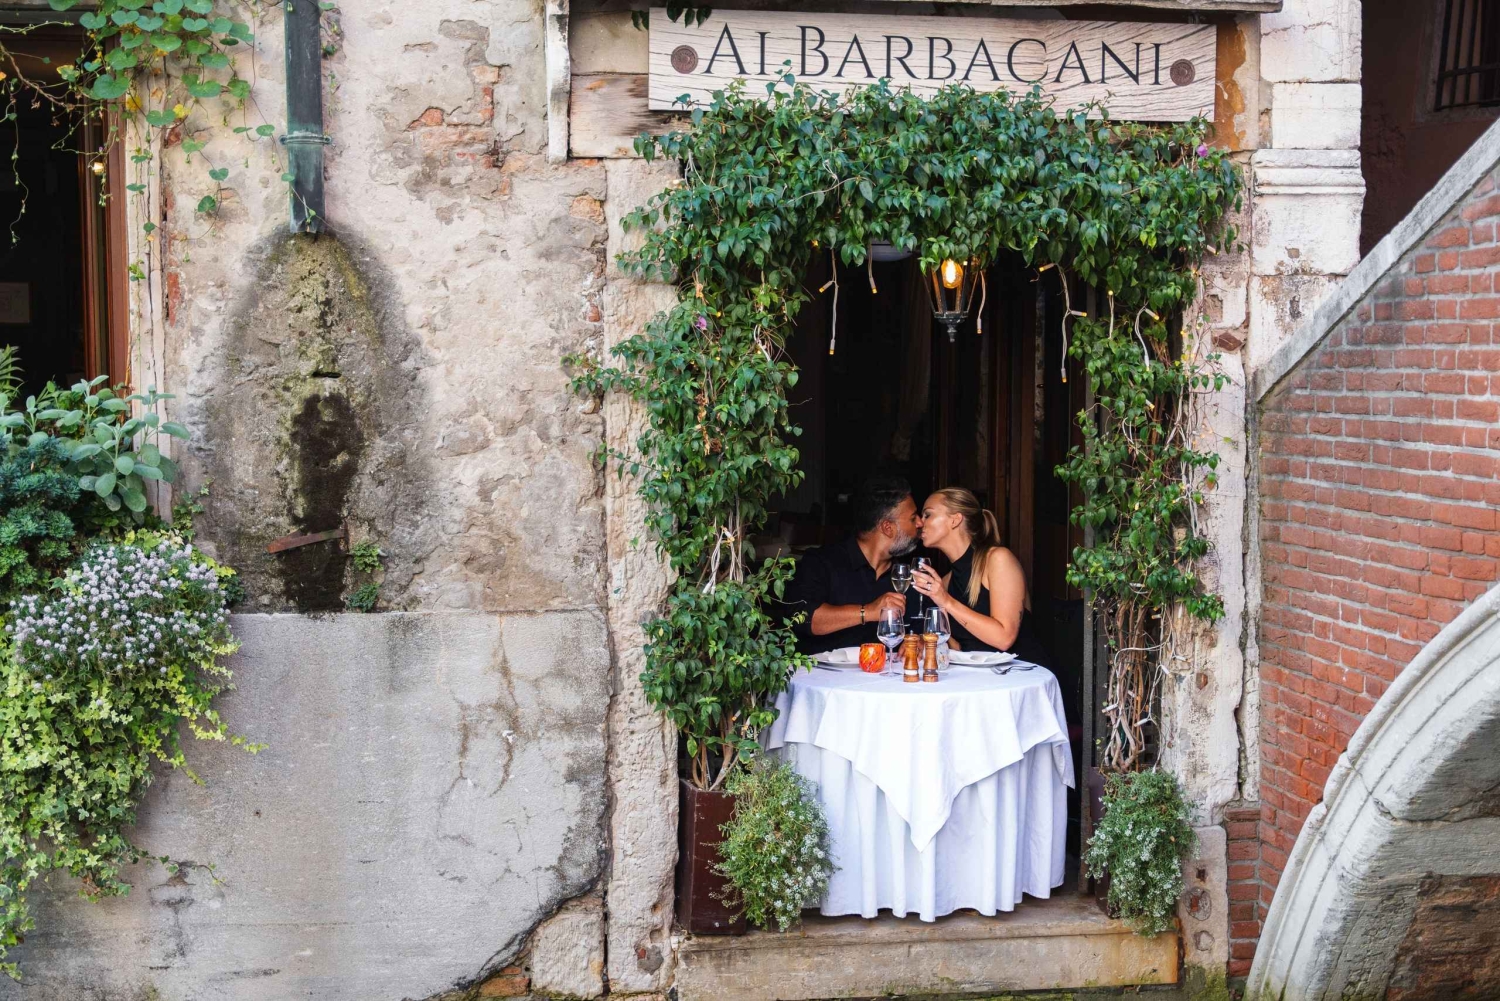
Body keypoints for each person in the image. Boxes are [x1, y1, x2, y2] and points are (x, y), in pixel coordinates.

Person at [782, 476, 923, 655]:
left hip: (885, 680)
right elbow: (802, 618)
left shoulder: (906, 576)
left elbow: (921, 629)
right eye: (913, 518)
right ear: (887, 527)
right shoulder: (822, 561)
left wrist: (918, 641)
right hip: (823, 678)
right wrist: (869, 611)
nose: (920, 523)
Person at [910, 486, 1050, 665]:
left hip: (1020, 677)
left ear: (955, 520)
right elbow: (960, 649)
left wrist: (945, 601)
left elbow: (1004, 639)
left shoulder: (998, 559)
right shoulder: (946, 582)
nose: (921, 523)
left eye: (927, 514)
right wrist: (927, 640)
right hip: (980, 679)